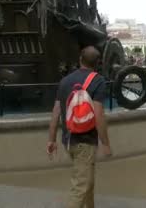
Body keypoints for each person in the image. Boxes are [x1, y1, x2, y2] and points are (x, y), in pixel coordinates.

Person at [47, 46, 112, 208]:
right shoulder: (98, 81)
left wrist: (51, 139)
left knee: (86, 180)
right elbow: (98, 114)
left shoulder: (65, 81)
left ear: (80, 60)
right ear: (97, 63)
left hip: (68, 140)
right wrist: (105, 143)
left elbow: (56, 113)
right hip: (85, 141)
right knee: (80, 187)